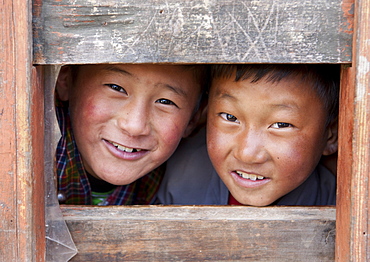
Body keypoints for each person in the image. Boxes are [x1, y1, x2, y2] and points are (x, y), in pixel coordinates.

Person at [155, 64, 339, 206]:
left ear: (331, 135)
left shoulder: (339, 202)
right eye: (230, 117)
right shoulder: (180, 180)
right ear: (204, 113)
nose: (247, 154)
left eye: (281, 125)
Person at [55, 64, 208, 205]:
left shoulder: (171, 182)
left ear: (193, 119)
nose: (135, 127)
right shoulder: (41, 153)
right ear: (65, 80)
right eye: (116, 88)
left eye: (165, 101)